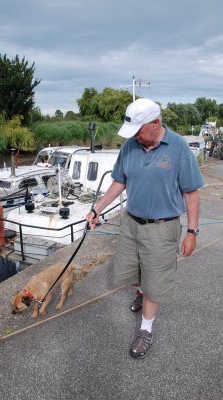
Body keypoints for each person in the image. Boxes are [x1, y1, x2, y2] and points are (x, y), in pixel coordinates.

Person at [86, 98, 204, 359]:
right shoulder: (130, 146)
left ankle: (146, 329)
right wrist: (97, 209)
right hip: (131, 223)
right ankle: (140, 293)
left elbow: (191, 194)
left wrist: (192, 232)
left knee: (155, 281)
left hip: (163, 228)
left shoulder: (179, 148)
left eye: (138, 130)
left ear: (155, 123)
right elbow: (119, 181)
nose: (135, 136)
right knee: (132, 270)